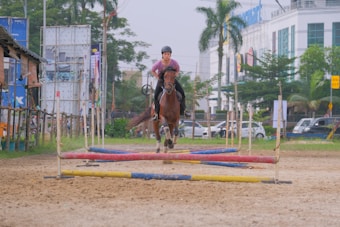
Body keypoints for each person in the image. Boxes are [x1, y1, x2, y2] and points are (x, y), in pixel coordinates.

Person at [151, 46, 191, 120]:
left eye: (168, 54)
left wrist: (176, 74)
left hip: (171, 80)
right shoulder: (158, 63)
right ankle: (156, 113)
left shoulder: (174, 62)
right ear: (162, 55)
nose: (167, 55)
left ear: (170, 55)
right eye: (165, 54)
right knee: (156, 95)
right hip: (162, 81)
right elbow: (153, 70)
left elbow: (178, 69)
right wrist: (158, 77)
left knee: (182, 92)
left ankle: (184, 110)